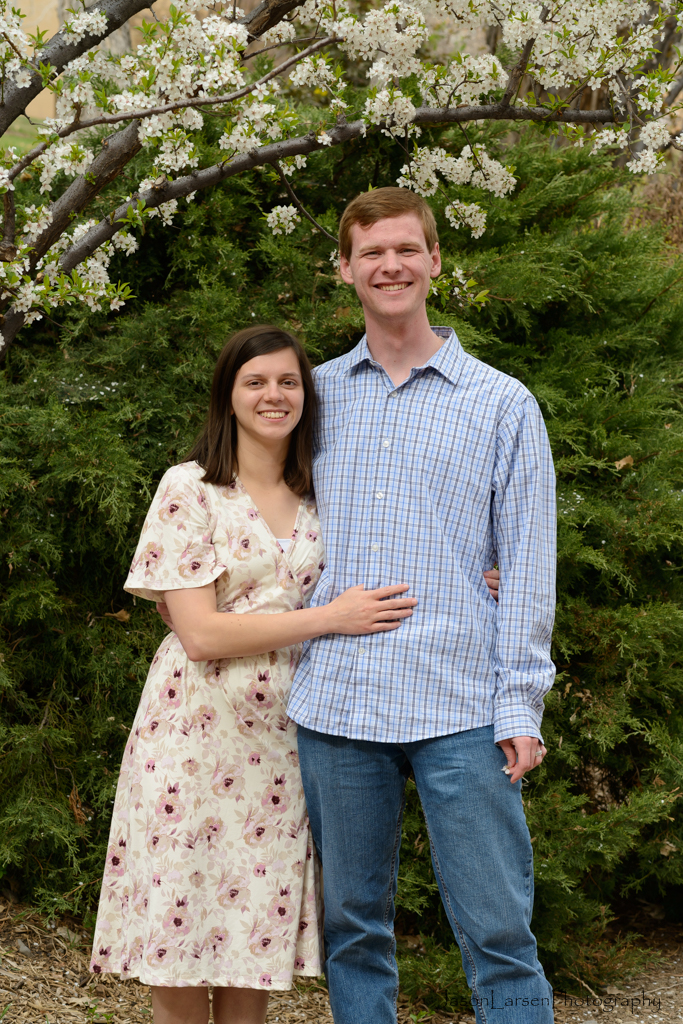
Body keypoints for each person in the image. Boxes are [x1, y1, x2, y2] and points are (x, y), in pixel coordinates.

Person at [89, 325, 420, 1024]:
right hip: (191, 740)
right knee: (180, 936)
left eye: (288, 382)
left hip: (282, 748)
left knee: (251, 939)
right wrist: (328, 618)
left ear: (307, 394)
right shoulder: (190, 488)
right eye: (256, 382)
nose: (274, 395)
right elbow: (201, 634)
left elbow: (399, 563)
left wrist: (474, 581)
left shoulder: (324, 494)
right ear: (228, 394)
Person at [286, 188, 557, 1024]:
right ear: (344, 269)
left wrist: (520, 705)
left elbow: (528, 567)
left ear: (435, 260)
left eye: (406, 249)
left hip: (460, 704)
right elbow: (261, 518)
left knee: (499, 932)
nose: (390, 266)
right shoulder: (311, 398)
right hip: (338, 702)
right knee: (352, 931)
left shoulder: (500, 403)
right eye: (371, 253)